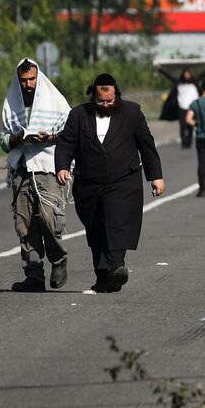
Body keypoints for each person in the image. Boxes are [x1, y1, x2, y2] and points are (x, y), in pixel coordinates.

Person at [55, 74, 165, 294]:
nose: (105, 105)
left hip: (123, 180)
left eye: (109, 101)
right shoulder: (78, 115)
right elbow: (66, 142)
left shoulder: (131, 112)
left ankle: (116, 267)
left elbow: (146, 144)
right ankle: (103, 276)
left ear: (116, 95)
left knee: (116, 221)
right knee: (95, 228)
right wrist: (62, 166)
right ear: (93, 96)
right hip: (89, 182)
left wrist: (156, 176)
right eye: (101, 101)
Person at [0, 58, 72, 292]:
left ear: (38, 78)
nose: (28, 84)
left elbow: (71, 133)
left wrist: (49, 138)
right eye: (24, 80)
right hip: (21, 169)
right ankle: (33, 275)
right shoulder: (12, 105)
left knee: (48, 218)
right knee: (24, 223)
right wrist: (18, 138)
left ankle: (59, 261)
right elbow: (3, 140)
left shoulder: (56, 101)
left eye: (32, 79)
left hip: (48, 166)